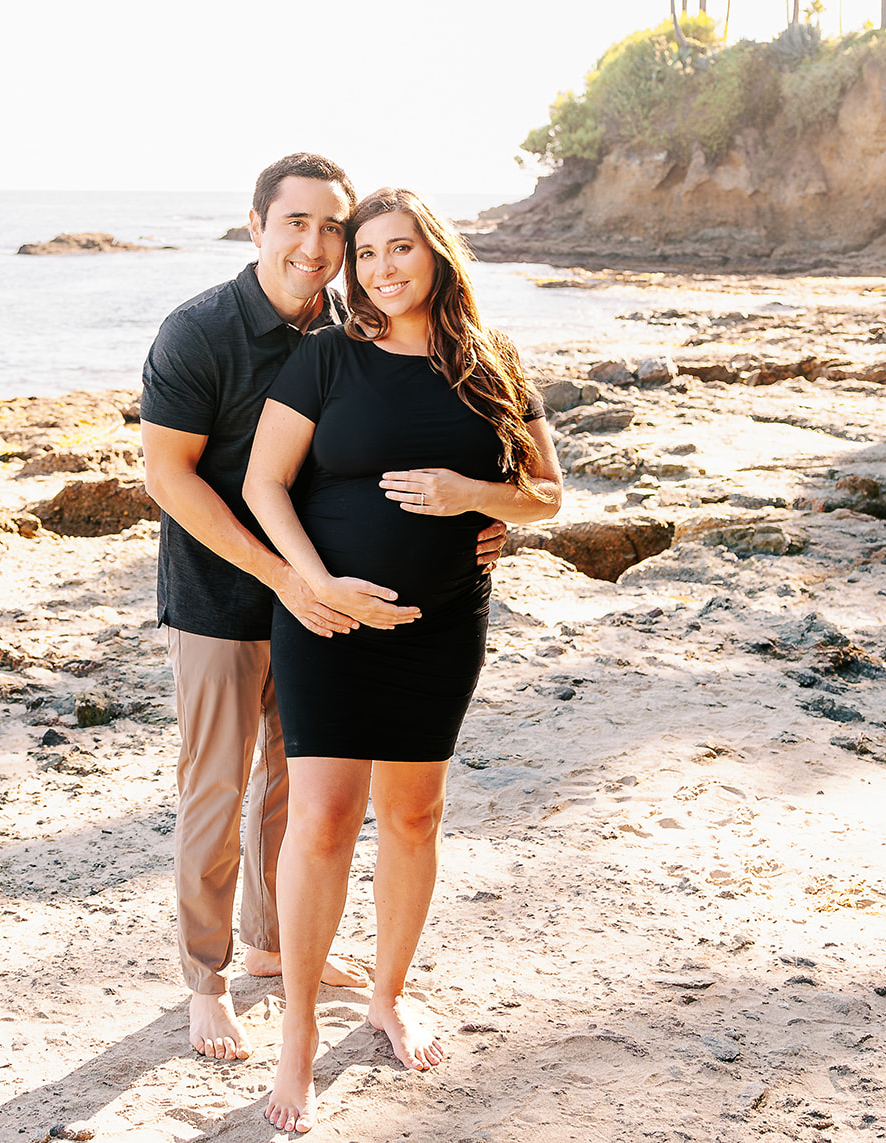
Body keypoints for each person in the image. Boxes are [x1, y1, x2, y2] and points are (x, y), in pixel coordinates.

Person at [139, 156, 509, 1062]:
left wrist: (485, 520)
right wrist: (284, 576)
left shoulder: (353, 328)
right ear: (258, 224)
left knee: (292, 792)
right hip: (226, 594)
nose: (317, 244)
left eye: (332, 228)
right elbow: (168, 477)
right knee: (217, 787)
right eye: (295, 223)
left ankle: (271, 945)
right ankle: (206, 980)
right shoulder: (201, 332)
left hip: (329, 604)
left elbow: (420, 441)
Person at [243, 187, 564, 1133]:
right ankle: (298, 1033)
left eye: (400, 249)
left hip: (443, 625)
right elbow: (265, 483)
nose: (382, 269)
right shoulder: (326, 358)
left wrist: (472, 493)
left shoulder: (491, 363)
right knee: (324, 821)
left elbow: (546, 495)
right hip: (330, 627)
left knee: (416, 815)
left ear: (437, 254)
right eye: (367, 254)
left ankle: (387, 995)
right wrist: (315, 584)